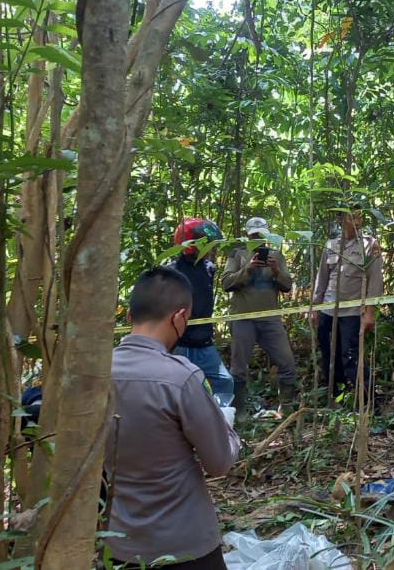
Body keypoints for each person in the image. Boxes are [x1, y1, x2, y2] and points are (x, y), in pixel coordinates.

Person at [105, 267, 240, 568]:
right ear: (179, 317)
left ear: (129, 317)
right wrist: (227, 429)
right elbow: (219, 462)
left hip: (118, 543)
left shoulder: (94, 375)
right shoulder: (180, 378)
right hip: (185, 545)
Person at [221, 217, 296, 418]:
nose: (258, 239)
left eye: (261, 235)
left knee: (287, 362)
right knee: (238, 368)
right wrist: (247, 269)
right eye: (254, 235)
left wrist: (275, 270)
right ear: (248, 235)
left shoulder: (276, 256)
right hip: (243, 318)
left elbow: (287, 285)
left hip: (270, 318)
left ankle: (286, 407)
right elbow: (226, 283)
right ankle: (239, 411)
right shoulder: (237, 254)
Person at [312, 208, 384, 401]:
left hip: (352, 312)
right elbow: (322, 278)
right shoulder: (331, 245)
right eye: (352, 216)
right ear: (340, 219)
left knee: (350, 358)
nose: (357, 220)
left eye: (359, 216)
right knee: (329, 356)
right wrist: (315, 307)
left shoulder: (369, 245)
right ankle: (337, 397)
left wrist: (369, 312)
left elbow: (375, 281)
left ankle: (368, 401)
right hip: (327, 310)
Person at [169, 217, 234, 399]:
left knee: (224, 381)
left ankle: (220, 420)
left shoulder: (208, 268)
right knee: (181, 387)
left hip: (204, 341)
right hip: (182, 343)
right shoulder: (172, 271)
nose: (209, 248)